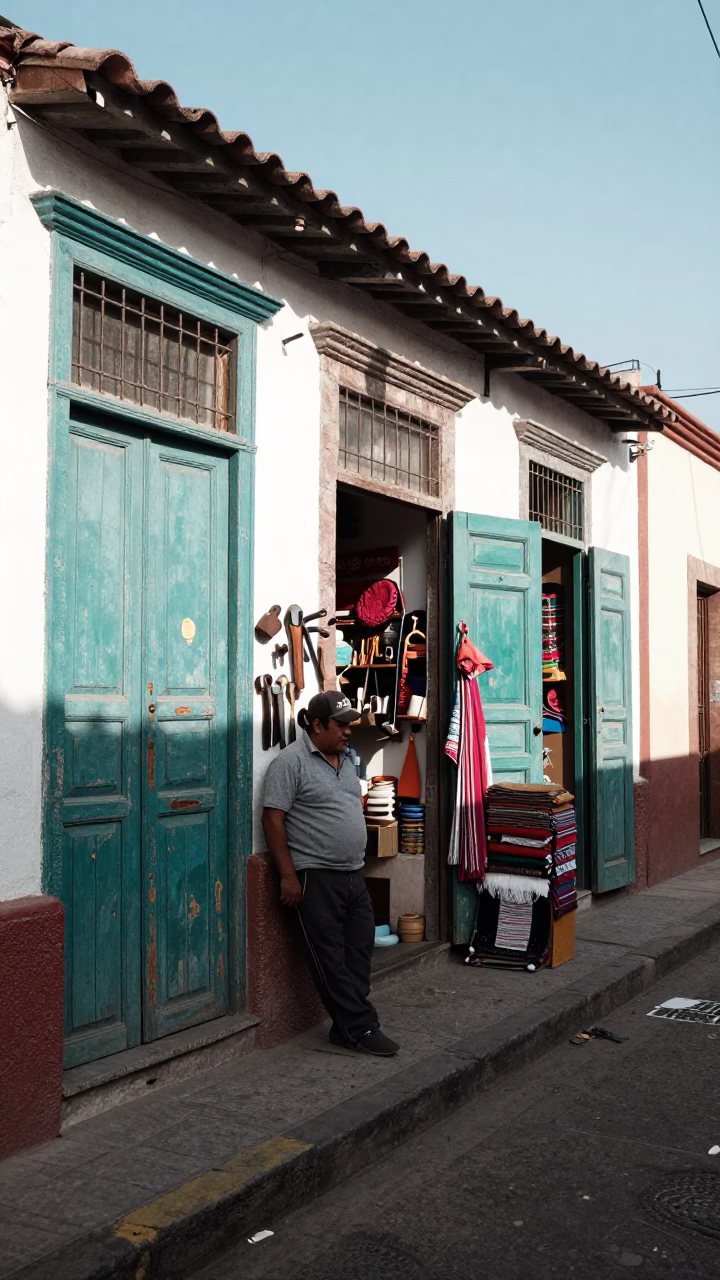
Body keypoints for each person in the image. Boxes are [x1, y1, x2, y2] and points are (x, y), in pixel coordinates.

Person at [262, 690, 400, 1057]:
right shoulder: (290, 763)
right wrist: (288, 875)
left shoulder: (347, 761)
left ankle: (343, 1028)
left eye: (349, 724)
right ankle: (362, 1027)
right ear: (317, 725)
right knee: (329, 961)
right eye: (341, 725)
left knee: (360, 952)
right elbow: (273, 819)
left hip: (353, 874)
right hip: (314, 877)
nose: (348, 731)